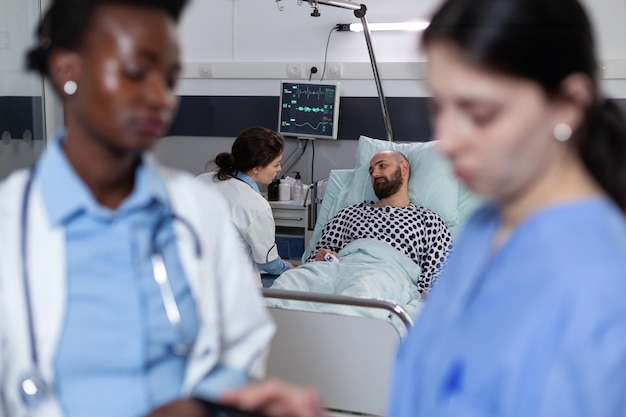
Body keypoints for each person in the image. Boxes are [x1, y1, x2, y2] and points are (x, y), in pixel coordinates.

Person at [217, 0, 626, 415]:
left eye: (477, 111)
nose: (448, 139)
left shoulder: (599, 273)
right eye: (440, 109)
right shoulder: (487, 230)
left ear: (568, 106)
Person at [0, 1, 275, 417]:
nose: (160, 97)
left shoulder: (196, 210)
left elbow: (243, 346)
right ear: (67, 72)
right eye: (134, 71)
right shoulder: (12, 223)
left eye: (169, 77)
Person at [307, 150, 453, 294]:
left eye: (382, 166)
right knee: (291, 281)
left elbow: (440, 272)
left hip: (387, 282)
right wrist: (320, 257)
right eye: (371, 171)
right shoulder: (348, 213)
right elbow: (314, 258)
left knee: (363, 288)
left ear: (404, 168)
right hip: (340, 277)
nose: (375, 174)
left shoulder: (429, 221)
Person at [196, 126, 295, 285]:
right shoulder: (255, 206)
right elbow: (269, 263)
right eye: (276, 164)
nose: (279, 169)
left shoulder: (201, 180)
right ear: (257, 168)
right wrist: (287, 267)